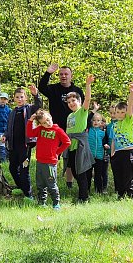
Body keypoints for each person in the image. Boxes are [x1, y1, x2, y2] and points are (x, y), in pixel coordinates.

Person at [38, 63, 84, 188]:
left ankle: (70, 184)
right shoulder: (53, 89)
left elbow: (83, 110)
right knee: (53, 156)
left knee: (71, 158)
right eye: (61, 74)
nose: (63, 76)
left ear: (71, 75)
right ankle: (50, 182)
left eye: (66, 74)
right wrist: (48, 73)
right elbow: (41, 87)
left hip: (74, 130)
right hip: (55, 129)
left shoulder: (78, 91)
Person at [2, 85, 42, 200]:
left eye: (21, 97)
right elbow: (9, 128)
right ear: (14, 99)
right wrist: (5, 136)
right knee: (12, 168)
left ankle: (28, 194)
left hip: (25, 145)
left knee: (24, 170)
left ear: (26, 98)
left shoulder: (29, 109)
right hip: (13, 146)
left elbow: (38, 106)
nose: (19, 99)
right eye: (17, 97)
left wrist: (36, 95)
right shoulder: (12, 112)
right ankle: (21, 187)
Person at [26, 109, 71, 209]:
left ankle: (56, 203)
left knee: (51, 183)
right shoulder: (40, 129)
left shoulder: (58, 130)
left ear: (50, 117)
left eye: (48, 120)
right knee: (40, 183)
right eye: (44, 122)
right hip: (40, 161)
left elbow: (67, 142)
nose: (47, 123)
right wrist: (30, 121)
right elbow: (29, 134)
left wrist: (57, 152)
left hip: (50, 162)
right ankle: (42, 202)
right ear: (40, 123)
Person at [64, 74, 95, 202]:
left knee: (80, 171)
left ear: (79, 101)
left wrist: (88, 85)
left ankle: (84, 198)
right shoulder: (69, 116)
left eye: (74, 101)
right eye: (69, 102)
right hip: (71, 147)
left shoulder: (82, 112)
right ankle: (85, 189)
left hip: (80, 147)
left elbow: (88, 99)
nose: (71, 103)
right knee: (75, 172)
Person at [109, 83, 133, 199]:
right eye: (117, 112)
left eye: (122, 112)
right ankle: (120, 195)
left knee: (128, 175)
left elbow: (130, 106)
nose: (120, 115)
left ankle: (131, 195)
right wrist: (112, 153)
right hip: (118, 153)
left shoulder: (128, 121)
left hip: (128, 152)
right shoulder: (114, 125)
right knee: (118, 175)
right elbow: (114, 140)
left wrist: (132, 92)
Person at [87, 112, 110, 194]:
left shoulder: (103, 133)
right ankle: (87, 190)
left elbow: (105, 142)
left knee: (98, 175)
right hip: (89, 157)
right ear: (91, 121)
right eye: (94, 120)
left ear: (101, 122)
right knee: (88, 175)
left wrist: (106, 145)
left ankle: (99, 191)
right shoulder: (88, 130)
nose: (96, 122)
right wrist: (93, 110)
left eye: (98, 120)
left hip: (99, 157)